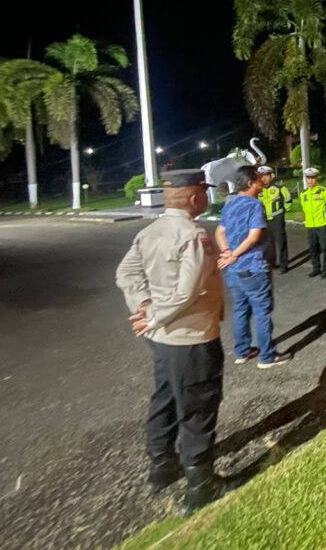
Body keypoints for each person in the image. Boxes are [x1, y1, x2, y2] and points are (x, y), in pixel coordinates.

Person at [115, 169, 230, 512]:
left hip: (161, 338)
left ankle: (162, 466)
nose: (207, 198)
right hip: (191, 336)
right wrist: (153, 315)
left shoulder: (150, 232)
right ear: (196, 198)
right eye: (205, 193)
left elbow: (125, 273)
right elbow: (187, 292)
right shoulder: (194, 235)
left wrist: (143, 306)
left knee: (165, 395)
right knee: (198, 404)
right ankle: (201, 486)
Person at [216, 165, 290, 368]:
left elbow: (220, 232)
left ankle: (242, 351)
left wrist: (227, 253)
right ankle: (267, 356)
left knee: (241, 309)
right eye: (259, 179)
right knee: (262, 312)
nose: (262, 182)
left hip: (235, 270)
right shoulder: (254, 205)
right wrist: (234, 255)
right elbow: (254, 237)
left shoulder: (230, 203)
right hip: (253, 267)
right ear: (250, 184)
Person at [297, 167, 326, 278]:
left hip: (322, 224)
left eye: (313, 178)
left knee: (325, 247)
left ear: (316, 178)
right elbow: (304, 209)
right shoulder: (303, 194)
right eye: (308, 178)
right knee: (313, 248)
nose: (310, 181)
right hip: (310, 225)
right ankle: (316, 268)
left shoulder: (324, 191)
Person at [258, 165, 293, 275]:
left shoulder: (279, 187)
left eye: (266, 176)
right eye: (261, 176)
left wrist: (282, 212)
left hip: (277, 219)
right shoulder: (259, 189)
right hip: (264, 219)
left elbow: (288, 199)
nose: (264, 178)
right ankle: (271, 263)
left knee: (281, 242)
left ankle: (283, 265)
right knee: (268, 244)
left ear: (271, 176)